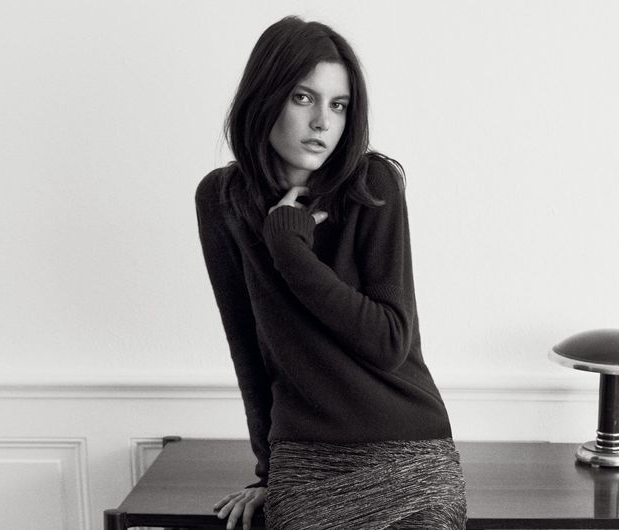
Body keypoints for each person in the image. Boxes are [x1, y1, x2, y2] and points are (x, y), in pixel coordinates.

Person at [195, 16, 466, 530]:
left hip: (410, 454)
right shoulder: (222, 200)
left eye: (338, 105)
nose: (322, 121)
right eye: (303, 98)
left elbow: (389, 340)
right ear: (264, 97)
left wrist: (290, 248)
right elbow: (249, 349)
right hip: (306, 463)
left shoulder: (373, 184)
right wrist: (268, 473)